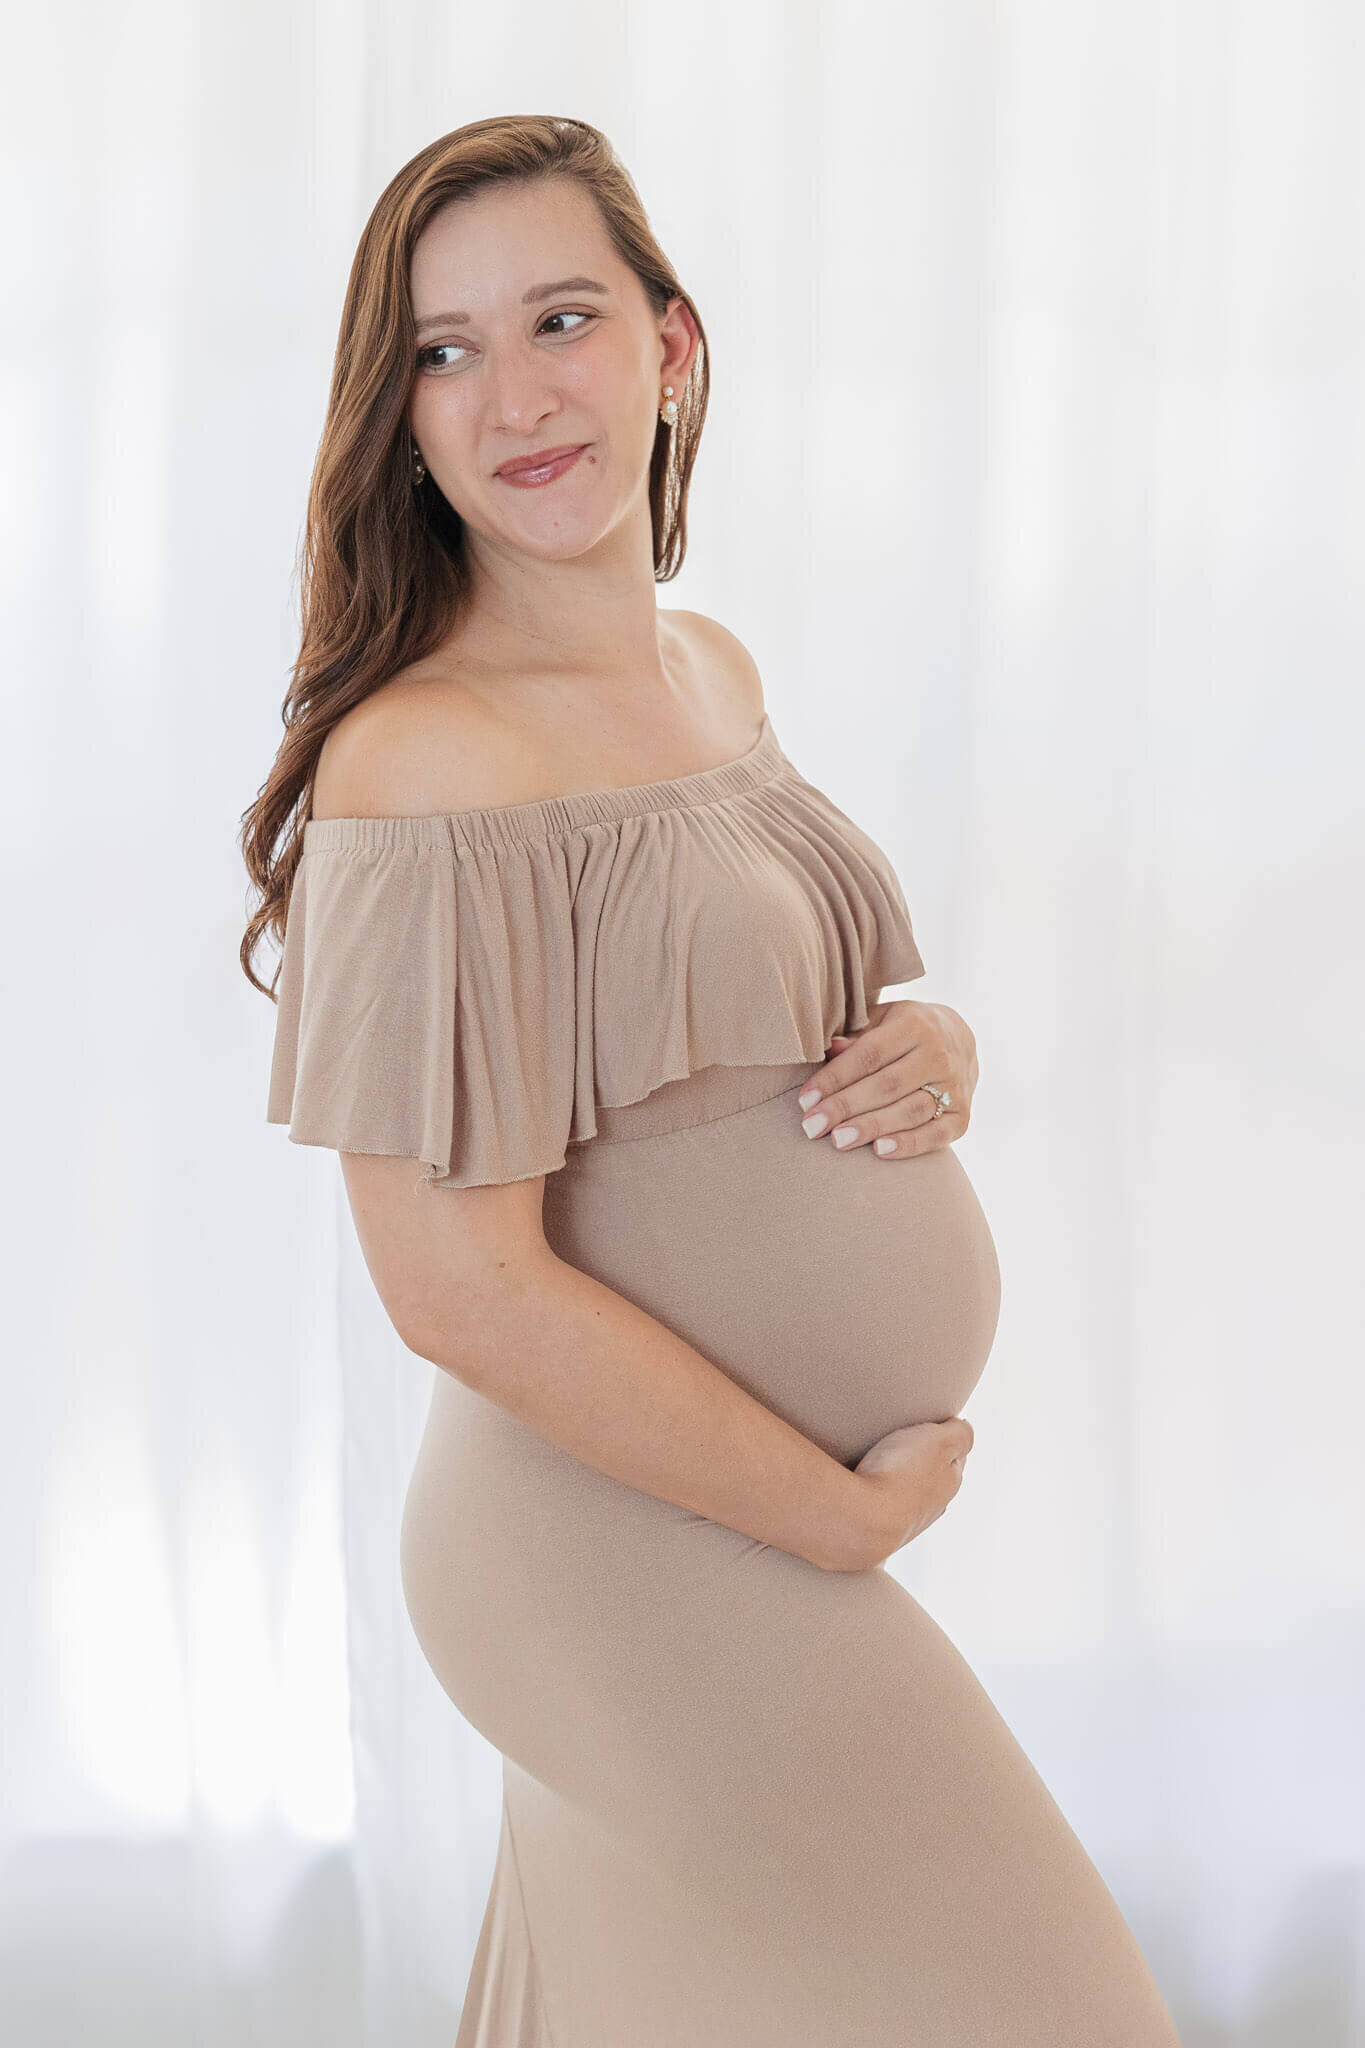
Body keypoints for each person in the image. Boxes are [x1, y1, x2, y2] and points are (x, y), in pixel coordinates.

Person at [241, 114, 1182, 2048]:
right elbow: (455, 1284)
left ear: (671, 348)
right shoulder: (422, 763)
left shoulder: (708, 671)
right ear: (398, 417)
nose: (512, 395)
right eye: (442, 350)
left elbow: (745, 1030)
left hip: (704, 1534)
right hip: (614, 1553)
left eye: (560, 319)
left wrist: (936, 1051)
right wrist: (822, 1520)